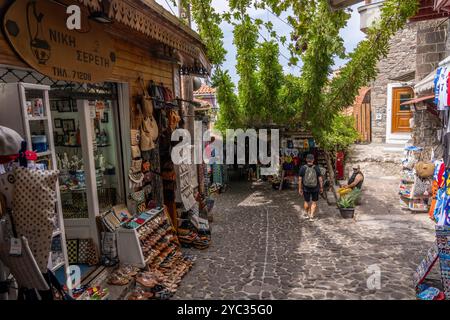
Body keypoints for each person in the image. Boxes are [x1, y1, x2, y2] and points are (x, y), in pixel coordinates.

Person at [298, 154, 323, 221]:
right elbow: (320, 179)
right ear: (313, 160)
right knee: (314, 202)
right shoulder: (316, 167)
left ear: (306, 160)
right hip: (315, 188)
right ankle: (311, 216)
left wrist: (300, 188)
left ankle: (308, 214)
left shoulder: (303, 168)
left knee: (306, 201)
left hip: (306, 188)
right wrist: (321, 187)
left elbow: (300, 179)